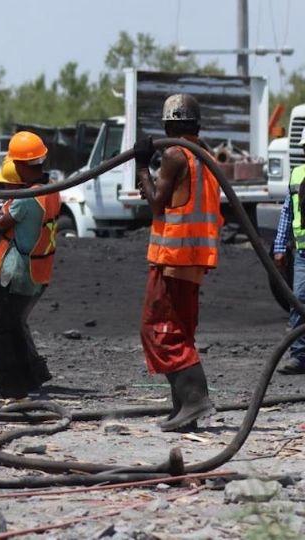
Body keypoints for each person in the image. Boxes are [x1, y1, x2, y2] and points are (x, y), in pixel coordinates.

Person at [134, 93, 222, 431]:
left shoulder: (175, 155)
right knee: (179, 329)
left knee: (159, 330)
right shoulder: (204, 155)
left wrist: (143, 165)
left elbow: (157, 204)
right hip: (194, 258)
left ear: (170, 123)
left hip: (175, 256)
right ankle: (184, 408)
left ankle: (196, 401)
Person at [0, 132, 60, 399]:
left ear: (22, 165)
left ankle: (10, 387)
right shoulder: (48, 192)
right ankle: (29, 379)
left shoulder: (26, 198)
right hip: (38, 270)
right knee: (13, 325)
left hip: (18, 272)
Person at [274, 138, 305, 375]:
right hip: (302, 252)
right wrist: (280, 246)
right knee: (299, 301)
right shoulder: (297, 174)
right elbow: (287, 211)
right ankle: (299, 356)